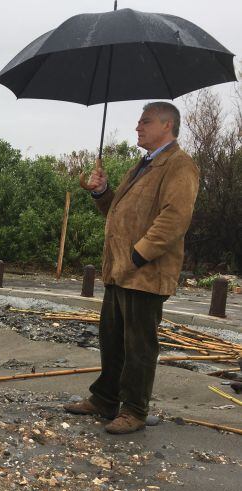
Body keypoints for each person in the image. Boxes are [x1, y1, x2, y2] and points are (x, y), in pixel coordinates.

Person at [64, 102, 200, 434]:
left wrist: (138, 255)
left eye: (145, 122)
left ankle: (135, 410)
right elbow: (118, 212)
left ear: (167, 126)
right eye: (138, 122)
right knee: (112, 339)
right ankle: (105, 399)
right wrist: (102, 191)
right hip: (120, 271)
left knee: (139, 345)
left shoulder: (179, 165)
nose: (138, 127)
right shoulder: (143, 165)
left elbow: (174, 218)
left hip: (146, 273)